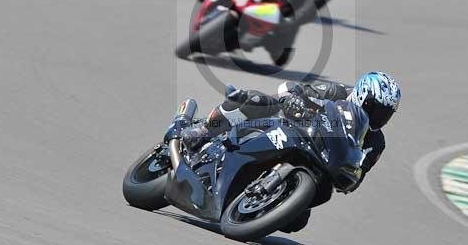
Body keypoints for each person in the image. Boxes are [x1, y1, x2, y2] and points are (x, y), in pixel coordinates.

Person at [170, 71, 401, 232]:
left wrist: (351, 178)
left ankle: (255, 207)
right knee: (255, 100)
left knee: (297, 222)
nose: (379, 117)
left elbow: (359, 173)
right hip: (293, 128)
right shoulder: (337, 91)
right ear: (362, 94)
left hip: (321, 163)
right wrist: (295, 100)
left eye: (386, 113)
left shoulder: (376, 142)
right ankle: (202, 130)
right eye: (375, 108)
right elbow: (292, 89)